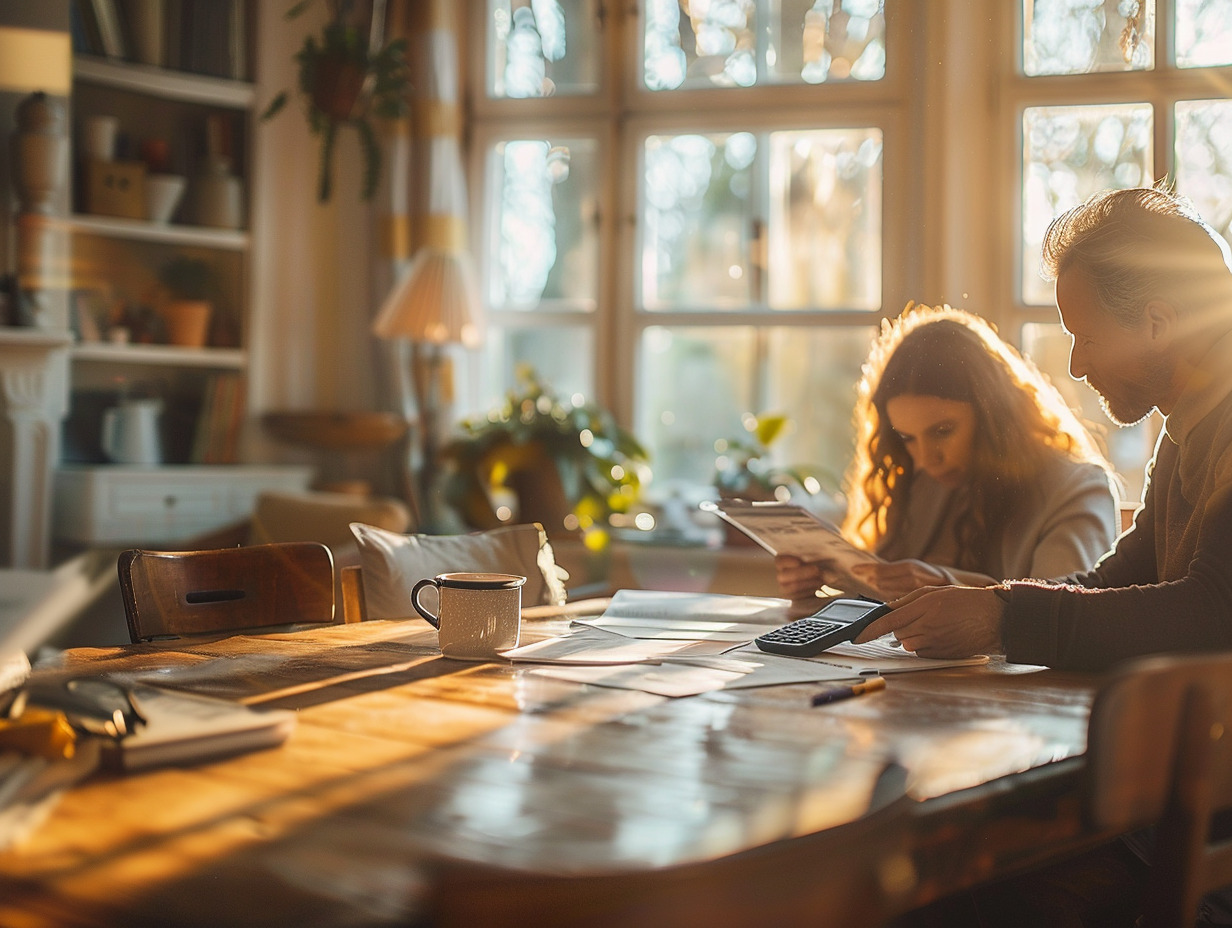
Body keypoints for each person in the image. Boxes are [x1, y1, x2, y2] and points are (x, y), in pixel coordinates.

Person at [857, 186, 1232, 674]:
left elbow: (1214, 610)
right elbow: (1113, 583)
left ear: (1157, 323)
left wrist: (1000, 620)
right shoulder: (1185, 428)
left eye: (1086, 337)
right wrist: (992, 601)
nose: (1076, 365)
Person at [776, 303, 1120, 610]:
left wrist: (942, 583)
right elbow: (878, 609)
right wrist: (820, 588)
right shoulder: (919, 481)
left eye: (942, 432)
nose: (926, 459)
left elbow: (1061, 611)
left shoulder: (1076, 488)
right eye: (908, 438)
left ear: (994, 415)